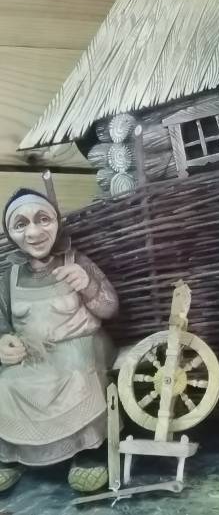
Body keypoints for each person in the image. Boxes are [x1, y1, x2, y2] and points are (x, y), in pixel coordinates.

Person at [0, 189, 118, 493]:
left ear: (57, 222)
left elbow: (109, 308)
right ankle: (12, 455)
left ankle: (89, 451)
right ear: (10, 233)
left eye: (43, 219)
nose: (34, 232)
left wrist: (88, 285)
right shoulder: (10, 276)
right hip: (33, 354)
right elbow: (1, 320)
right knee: (7, 384)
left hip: (78, 345)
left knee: (79, 376)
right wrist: (3, 341)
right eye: (21, 224)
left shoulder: (76, 261)